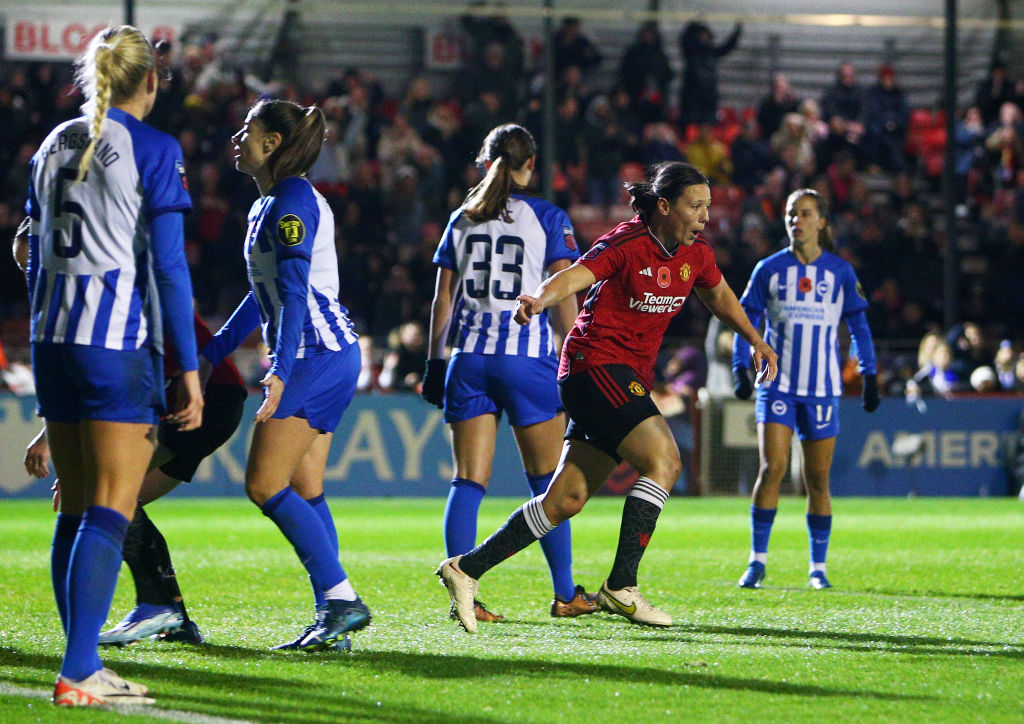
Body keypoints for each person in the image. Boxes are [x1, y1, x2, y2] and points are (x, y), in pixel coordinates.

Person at [436, 161, 778, 632]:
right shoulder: (627, 242)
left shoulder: (695, 254)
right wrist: (539, 298)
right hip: (592, 364)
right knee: (664, 461)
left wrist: (755, 339)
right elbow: (576, 275)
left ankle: (465, 568)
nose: (704, 216)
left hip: (616, 375)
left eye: (707, 207)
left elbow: (719, 297)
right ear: (664, 205)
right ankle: (622, 586)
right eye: (695, 205)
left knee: (566, 499)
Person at [23, 25, 203, 706]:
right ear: (150, 80)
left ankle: (84, 661)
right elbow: (168, 267)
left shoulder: (50, 144)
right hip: (112, 343)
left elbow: (32, 253)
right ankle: (78, 669)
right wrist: (186, 368)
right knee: (110, 506)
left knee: (73, 507)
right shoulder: (154, 148)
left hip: (52, 342)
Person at [200, 98, 369, 651]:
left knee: (263, 483)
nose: (237, 137)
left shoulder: (294, 197)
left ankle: (341, 601)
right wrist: (217, 350)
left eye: (247, 129)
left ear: (272, 143)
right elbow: (263, 292)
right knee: (305, 486)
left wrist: (279, 367)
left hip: (315, 354)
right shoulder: (268, 203)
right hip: (326, 351)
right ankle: (335, 618)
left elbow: (294, 292)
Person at [422, 123, 598, 623]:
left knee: (467, 482)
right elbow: (564, 295)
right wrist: (576, 358)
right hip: (527, 361)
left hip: (469, 360)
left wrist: (435, 362)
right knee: (548, 484)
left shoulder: (462, 217)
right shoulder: (547, 216)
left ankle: (465, 598)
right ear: (530, 166)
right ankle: (566, 594)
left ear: (485, 161)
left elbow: (443, 298)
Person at [21, 311, 247, 647]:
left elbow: (106, 378)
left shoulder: (105, 291)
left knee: (104, 495)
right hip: (207, 398)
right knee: (122, 500)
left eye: (32, 264)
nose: (32, 274)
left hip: (199, 397)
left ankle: (156, 605)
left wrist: (52, 440)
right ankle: (176, 620)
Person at [732, 188, 880, 592]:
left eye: (805, 213)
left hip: (822, 388)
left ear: (822, 222)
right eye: (791, 213)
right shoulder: (768, 269)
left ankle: (817, 567)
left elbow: (860, 327)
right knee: (773, 468)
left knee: (817, 478)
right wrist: (740, 367)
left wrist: (870, 375)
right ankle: (757, 562)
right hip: (777, 385)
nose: (796, 220)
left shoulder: (840, 272)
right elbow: (746, 320)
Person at [678, 20, 742, 128]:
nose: (704, 37)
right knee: (690, 128)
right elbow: (683, 41)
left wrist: (737, 32)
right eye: (701, 35)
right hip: (691, 98)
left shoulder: (712, 52)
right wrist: (693, 26)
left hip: (708, 97)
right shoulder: (690, 51)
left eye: (705, 35)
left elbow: (727, 47)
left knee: (707, 127)